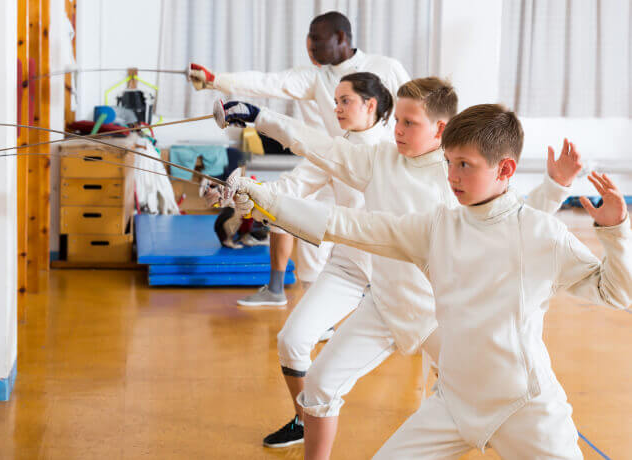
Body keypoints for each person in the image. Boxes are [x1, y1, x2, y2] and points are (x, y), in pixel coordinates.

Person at [234, 104, 631, 459]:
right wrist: (268, 201)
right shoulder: (438, 227)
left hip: (524, 408)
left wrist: (615, 230)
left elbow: (616, 291)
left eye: (465, 165)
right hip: (454, 404)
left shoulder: (541, 232)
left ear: (505, 169)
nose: (453, 177)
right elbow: (350, 224)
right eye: (449, 163)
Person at [191, 11, 409, 306]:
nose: (310, 46)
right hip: (332, 157)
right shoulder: (316, 79)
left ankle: (368, 299)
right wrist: (216, 81)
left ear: (341, 38)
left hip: (376, 172)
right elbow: (269, 82)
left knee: (364, 243)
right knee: (304, 224)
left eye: (316, 39)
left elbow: (416, 110)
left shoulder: (387, 68)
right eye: (337, 101)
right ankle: (310, 304)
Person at [229, 73, 393, 448]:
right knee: (292, 340)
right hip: (349, 268)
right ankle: (304, 421)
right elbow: (290, 188)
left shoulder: (393, 148)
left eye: (344, 101)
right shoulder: (334, 149)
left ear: (371, 104)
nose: (335, 108)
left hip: (396, 274)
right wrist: (241, 192)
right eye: (334, 101)